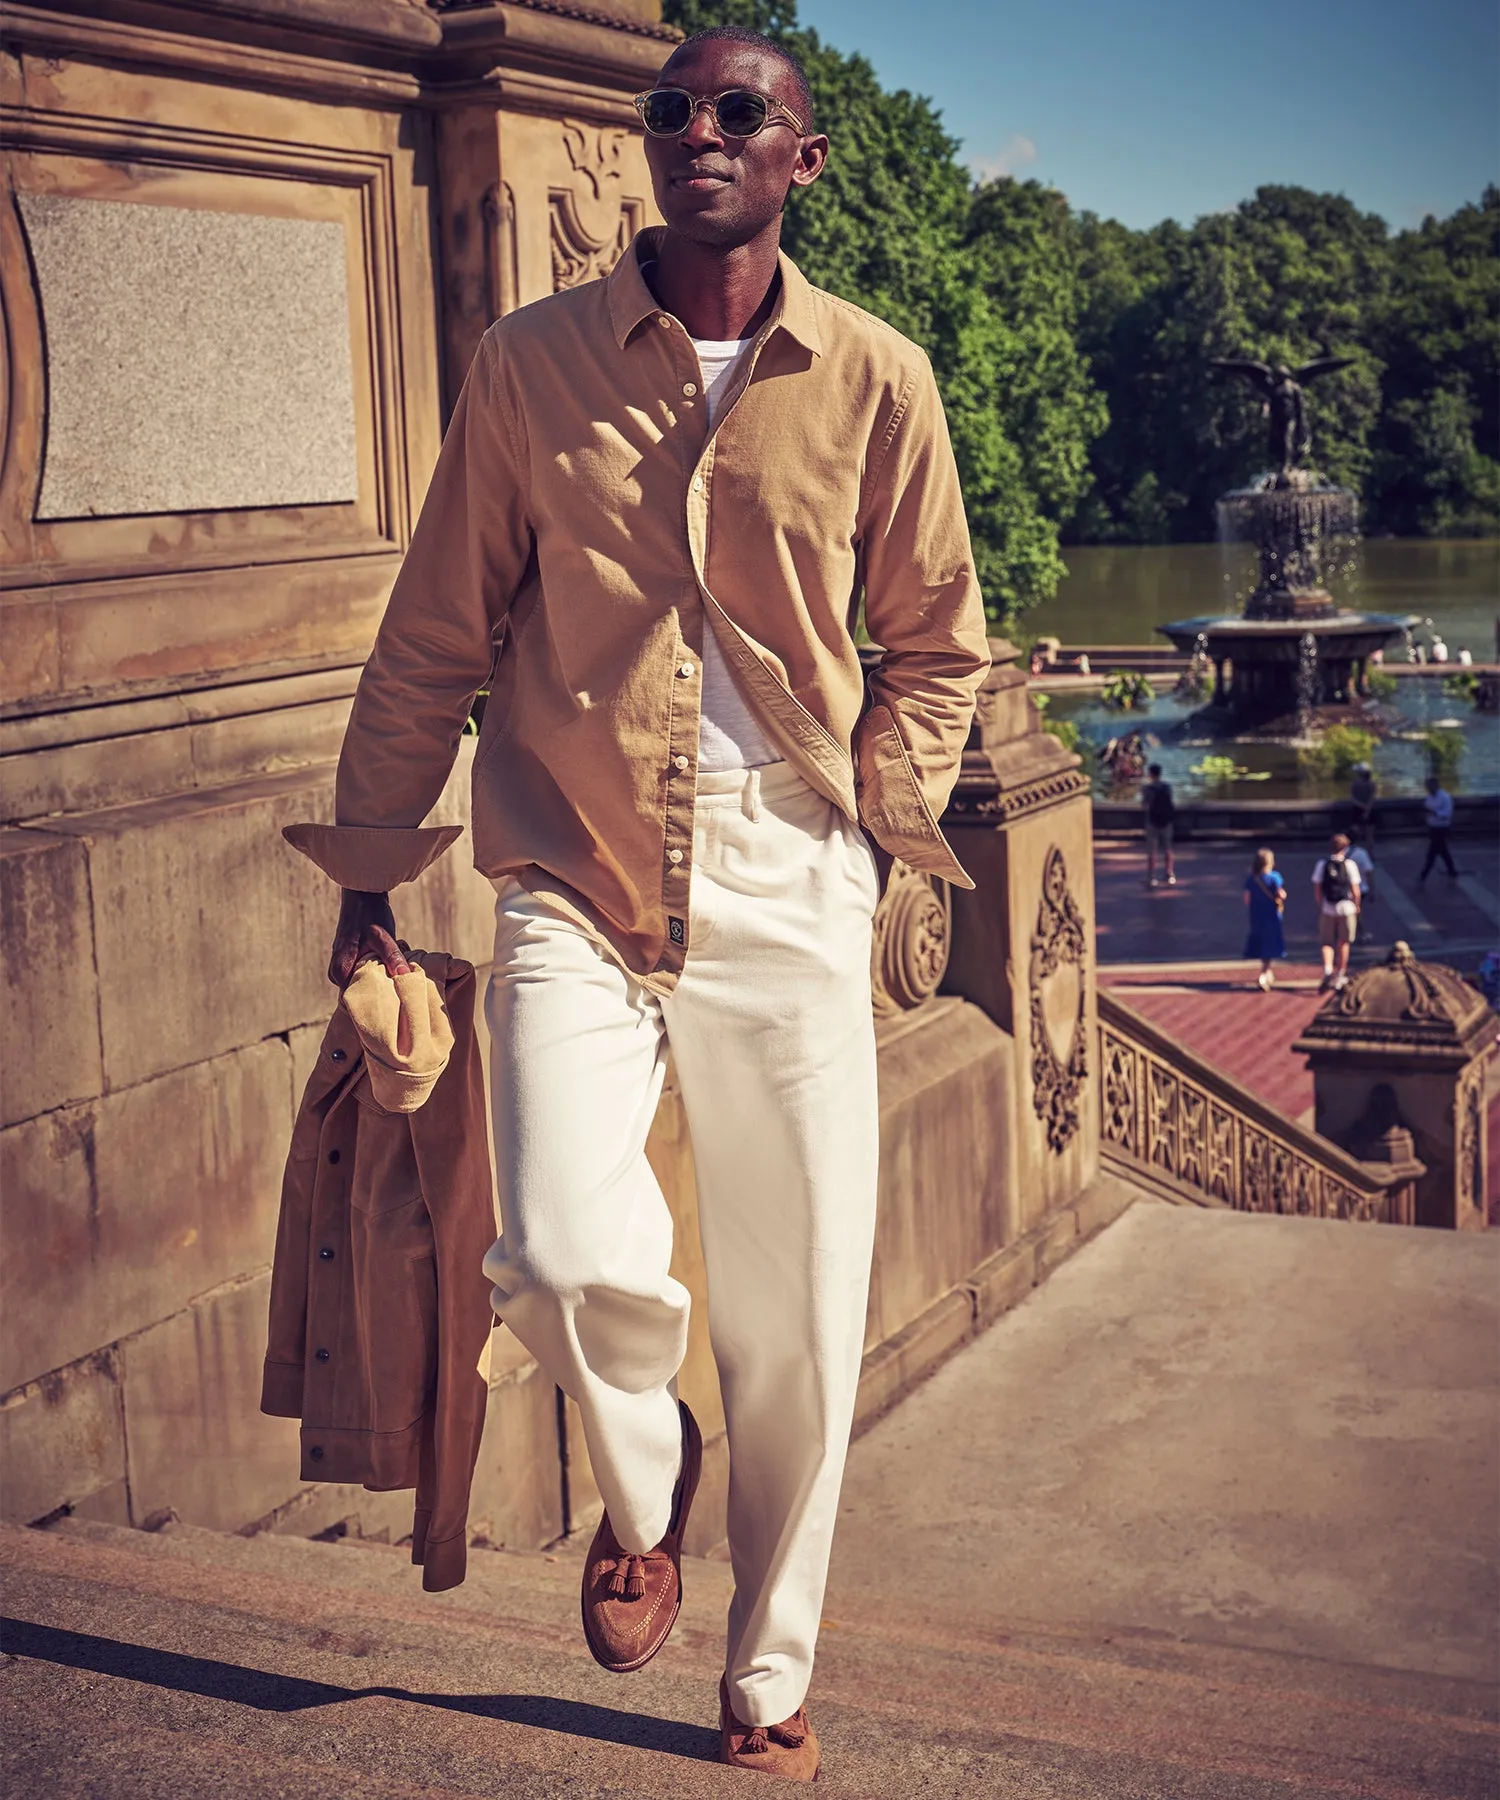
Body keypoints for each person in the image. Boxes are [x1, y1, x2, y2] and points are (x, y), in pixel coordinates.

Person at [321, 25, 988, 1784]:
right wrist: (372, 862)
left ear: (799, 159)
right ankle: (649, 1477)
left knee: (802, 1322)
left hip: (790, 875)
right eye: (671, 108)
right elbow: (435, 636)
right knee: (548, 1240)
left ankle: (766, 1687)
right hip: (570, 866)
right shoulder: (526, 367)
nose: (698, 131)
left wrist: (874, 836)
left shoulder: (875, 377)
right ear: (646, 145)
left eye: (737, 112)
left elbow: (936, 646)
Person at [1312, 832, 1362, 992]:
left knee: (1327, 942)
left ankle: (1327, 970)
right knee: (1344, 942)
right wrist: (1357, 905)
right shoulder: (1350, 865)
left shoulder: (1322, 864)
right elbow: (1356, 889)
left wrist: (1320, 903)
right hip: (1346, 908)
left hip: (1329, 907)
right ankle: (1340, 974)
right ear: (1345, 848)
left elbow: (1318, 886)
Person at [1243, 847, 1286, 990]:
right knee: (1271, 942)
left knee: (1261, 942)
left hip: (1256, 915)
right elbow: (1281, 894)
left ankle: (1267, 971)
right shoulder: (1275, 877)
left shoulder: (1252, 879)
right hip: (1272, 915)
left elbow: (1247, 899)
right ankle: (1264, 973)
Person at [1142, 761, 1176, 888]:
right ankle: (1169, 874)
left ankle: (1151, 877)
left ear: (1150, 774)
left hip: (1152, 821)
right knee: (1168, 848)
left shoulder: (1147, 788)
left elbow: (1145, 805)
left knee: (1152, 850)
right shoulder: (1167, 787)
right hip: (1166, 821)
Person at [1419, 774, 1458, 880]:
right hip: (1432, 827)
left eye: (1429, 787)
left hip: (1442, 827)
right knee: (1443, 850)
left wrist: (1434, 813)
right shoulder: (1429, 798)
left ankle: (1424, 873)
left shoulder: (1445, 797)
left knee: (1433, 851)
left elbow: (1447, 814)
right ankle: (1452, 870)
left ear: (1435, 785)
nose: (1428, 789)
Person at [1348, 761, 1376, 848]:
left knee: (1355, 834)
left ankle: (1355, 854)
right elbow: (1372, 798)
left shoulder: (1354, 784)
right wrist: (1367, 809)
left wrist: (1361, 806)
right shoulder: (1372, 784)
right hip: (1370, 810)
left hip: (1357, 810)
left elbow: (1352, 799)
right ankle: (1371, 856)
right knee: (1369, 836)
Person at [1347, 824, 1376, 906]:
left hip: (1343, 889)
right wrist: (1372, 890)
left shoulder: (1340, 852)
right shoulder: (1362, 854)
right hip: (1361, 888)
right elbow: (1369, 872)